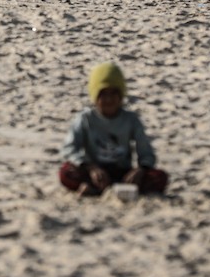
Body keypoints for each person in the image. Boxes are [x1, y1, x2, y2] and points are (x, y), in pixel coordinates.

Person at [58, 63, 168, 197]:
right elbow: (69, 148)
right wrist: (91, 167)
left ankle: (121, 190)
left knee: (160, 177)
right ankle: (92, 187)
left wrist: (140, 169)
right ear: (95, 95)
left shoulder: (131, 120)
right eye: (103, 94)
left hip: (123, 173)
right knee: (66, 172)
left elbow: (147, 153)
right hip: (94, 171)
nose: (108, 99)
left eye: (113, 94)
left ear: (121, 95)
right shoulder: (85, 119)